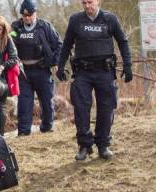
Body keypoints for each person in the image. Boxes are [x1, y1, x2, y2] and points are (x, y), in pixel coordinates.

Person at [56, 0, 133, 160]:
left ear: (97, 1)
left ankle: (103, 145)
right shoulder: (76, 20)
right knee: (81, 108)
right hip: (83, 72)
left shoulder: (110, 19)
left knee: (106, 108)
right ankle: (84, 145)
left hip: (104, 72)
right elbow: (67, 45)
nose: (87, 6)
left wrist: (128, 65)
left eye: (90, 2)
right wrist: (61, 66)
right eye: (83, 3)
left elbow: (122, 42)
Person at [11, 0, 62, 136]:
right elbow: (10, 42)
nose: (27, 18)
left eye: (30, 15)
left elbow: (58, 45)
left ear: (35, 13)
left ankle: (46, 127)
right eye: (24, 15)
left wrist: (56, 63)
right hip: (23, 72)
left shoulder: (45, 27)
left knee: (46, 100)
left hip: (42, 69)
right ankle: (23, 131)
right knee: (24, 102)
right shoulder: (16, 28)